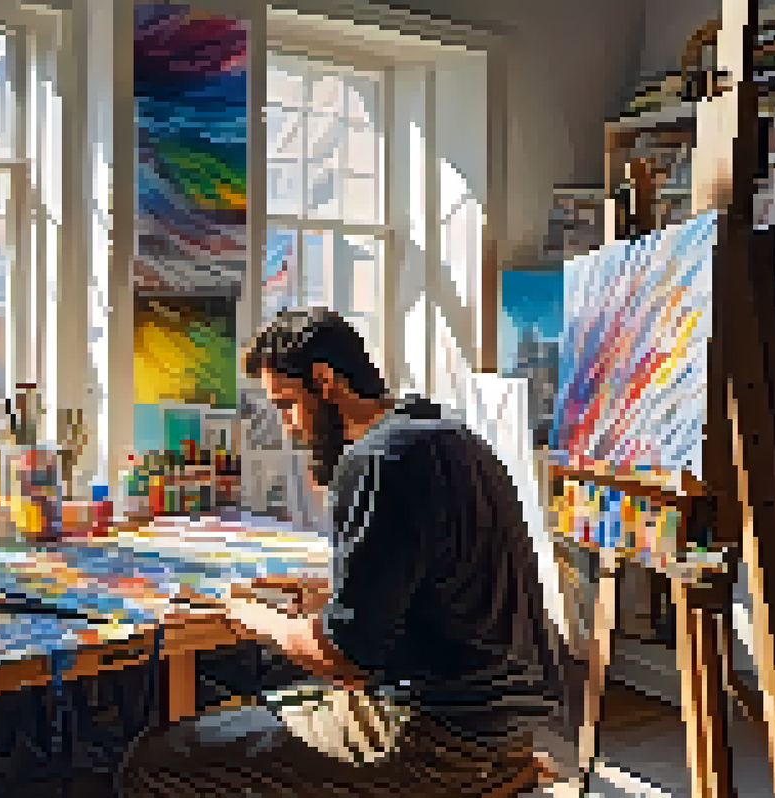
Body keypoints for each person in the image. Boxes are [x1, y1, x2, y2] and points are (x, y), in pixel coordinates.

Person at [116, 308, 580, 797]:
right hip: (512, 728)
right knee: (269, 703)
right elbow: (444, 590)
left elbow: (344, 658)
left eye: (288, 405)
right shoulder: (459, 442)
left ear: (324, 381)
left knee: (155, 761)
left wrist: (246, 613)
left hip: (437, 739)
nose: (288, 427)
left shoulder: (377, 461)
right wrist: (327, 595)